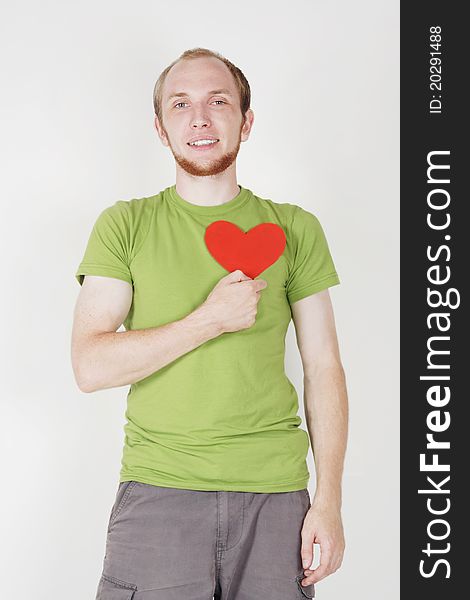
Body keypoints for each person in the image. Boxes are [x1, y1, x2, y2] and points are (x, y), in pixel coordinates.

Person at [71, 47, 348, 600]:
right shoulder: (125, 225)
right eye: (181, 104)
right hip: (158, 492)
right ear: (159, 127)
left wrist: (330, 500)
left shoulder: (294, 228)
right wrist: (208, 320)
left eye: (218, 101)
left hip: (275, 497)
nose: (199, 118)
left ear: (245, 121)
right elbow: (90, 365)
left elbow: (324, 367)